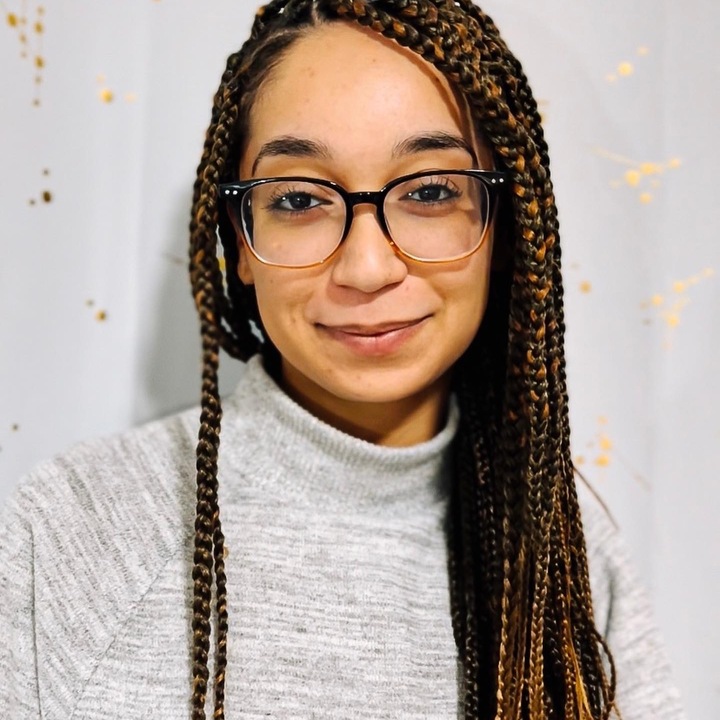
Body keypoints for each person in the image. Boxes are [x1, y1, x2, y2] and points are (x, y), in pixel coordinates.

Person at [0, 1, 686, 719]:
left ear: (502, 226)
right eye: (299, 199)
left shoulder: (564, 556)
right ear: (240, 241)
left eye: (429, 192)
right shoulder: (76, 530)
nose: (366, 268)